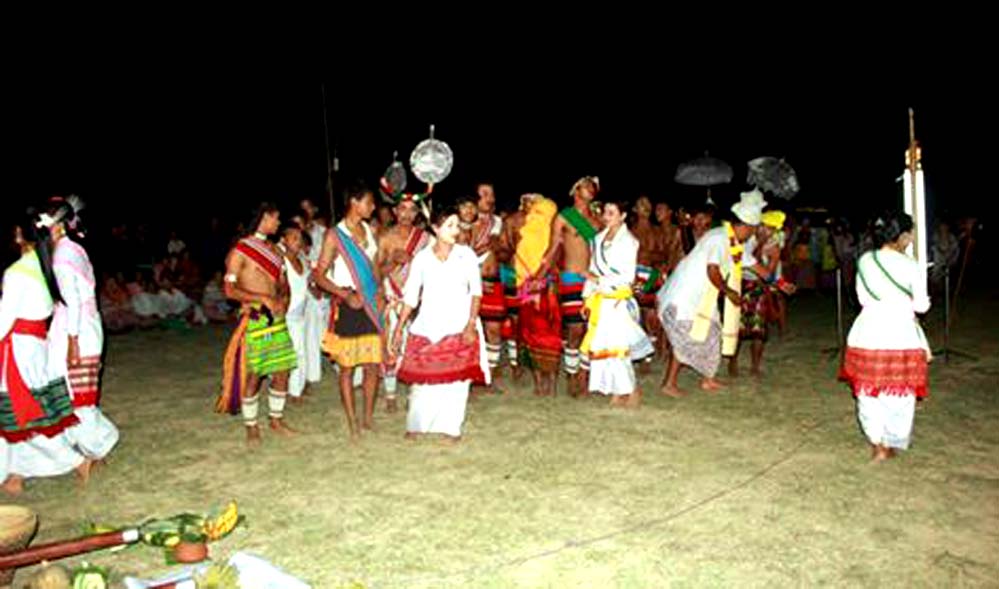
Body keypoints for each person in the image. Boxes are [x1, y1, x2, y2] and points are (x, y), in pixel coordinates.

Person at [1, 214, 90, 494]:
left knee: (21, 412)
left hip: (18, 348)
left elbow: (4, 319)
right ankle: (14, 473)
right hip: (34, 344)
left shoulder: (17, 272)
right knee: (22, 411)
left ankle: (75, 460)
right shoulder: (43, 266)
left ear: (20, 237)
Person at [840, 212, 931, 462]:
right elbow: (922, 307)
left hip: (867, 331)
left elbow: (862, 298)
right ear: (901, 236)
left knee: (868, 391)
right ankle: (891, 439)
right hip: (899, 333)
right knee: (900, 391)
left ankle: (877, 441)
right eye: (910, 232)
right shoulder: (910, 265)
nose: (912, 237)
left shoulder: (866, 260)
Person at [394, 204, 488, 442]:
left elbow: (476, 292)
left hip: (459, 323)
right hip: (428, 324)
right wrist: (398, 328)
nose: (455, 230)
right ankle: (417, 425)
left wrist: (470, 324)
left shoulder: (465, 255)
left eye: (457, 225)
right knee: (423, 381)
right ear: (435, 228)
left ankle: (451, 429)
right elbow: (411, 296)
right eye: (449, 225)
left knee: (456, 382)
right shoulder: (422, 258)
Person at [657, 189, 765, 397]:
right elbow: (712, 270)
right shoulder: (719, 237)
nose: (752, 234)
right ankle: (668, 384)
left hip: (704, 298)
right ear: (745, 226)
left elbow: (757, 267)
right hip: (684, 296)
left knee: (713, 333)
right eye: (752, 230)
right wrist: (729, 292)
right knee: (688, 337)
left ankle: (708, 379)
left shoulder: (736, 245)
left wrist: (780, 282)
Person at [43, 197, 120, 465]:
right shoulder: (73, 249)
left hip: (76, 329)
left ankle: (98, 444)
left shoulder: (63, 254)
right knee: (74, 393)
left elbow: (73, 301)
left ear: (57, 224)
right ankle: (88, 447)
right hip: (83, 325)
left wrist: (72, 341)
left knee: (74, 395)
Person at [215, 203, 297, 444]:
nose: (279, 223)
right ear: (264, 218)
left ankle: (276, 419)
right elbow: (229, 290)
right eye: (276, 218)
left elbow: (283, 283)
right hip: (255, 319)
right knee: (254, 374)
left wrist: (284, 300)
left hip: (278, 320)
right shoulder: (240, 251)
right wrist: (261, 298)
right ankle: (251, 426)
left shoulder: (276, 250)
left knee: (282, 371)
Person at [313, 183, 383, 440]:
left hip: (371, 305)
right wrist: (344, 295)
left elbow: (374, 267)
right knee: (347, 367)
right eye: (369, 202)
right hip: (349, 306)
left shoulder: (370, 229)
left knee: (373, 365)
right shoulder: (334, 235)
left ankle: (367, 418)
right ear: (354, 202)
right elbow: (318, 275)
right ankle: (352, 423)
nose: (373, 207)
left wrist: (381, 293)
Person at [581, 199, 654, 406]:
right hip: (600, 300)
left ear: (622, 216)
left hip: (617, 301)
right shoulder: (598, 239)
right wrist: (587, 298)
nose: (606, 216)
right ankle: (617, 390)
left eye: (611, 212)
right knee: (604, 347)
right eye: (605, 212)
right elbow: (592, 269)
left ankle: (631, 391)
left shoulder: (629, 241)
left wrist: (597, 280)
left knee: (617, 347)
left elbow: (627, 277)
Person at [536, 176, 603, 397]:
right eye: (586, 186)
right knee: (575, 329)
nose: (591, 189)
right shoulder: (565, 216)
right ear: (576, 190)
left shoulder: (597, 220)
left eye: (593, 186)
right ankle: (572, 374)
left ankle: (583, 375)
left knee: (590, 330)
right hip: (571, 278)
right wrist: (539, 277)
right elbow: (552, 249)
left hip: (593, 280)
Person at [376, 193, 432, 413]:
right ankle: (390, 395)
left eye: (411, 210)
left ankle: (413, 392)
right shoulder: (385, 237)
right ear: (394, 211)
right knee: (392, 344)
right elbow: (376, 272)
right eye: (402, 209)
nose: (406, 214)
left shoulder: (426, 239)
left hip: (418, 298)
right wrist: (392, 262)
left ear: (417, 213)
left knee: (416, 346)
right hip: (392, 297)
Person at [505, 194, 561, 396]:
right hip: (525, 285)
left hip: (547, 285)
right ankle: (539, 384)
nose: (531, 208)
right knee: (529, 332)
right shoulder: (522, 227)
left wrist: (540, 278)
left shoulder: (552, 228)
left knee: (551, 334)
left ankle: (552, 384)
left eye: (535, 203)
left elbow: (554, 255)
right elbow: (510, 250)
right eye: (526, 203)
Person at [729, 210, 795, 377]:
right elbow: (747, 260)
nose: (771, 232)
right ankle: (733, 362)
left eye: (774, 229)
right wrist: (760, 245)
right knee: (737, 328)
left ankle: (755, 366)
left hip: (760, 288)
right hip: (741, 285)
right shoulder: (745, 238)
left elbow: (767, 273)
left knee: (759, 330)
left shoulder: (774, 246)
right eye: (769, 227)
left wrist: (780, 283)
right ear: (760, 226)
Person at [471, 182, 506, 392]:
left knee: (494, 329)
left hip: (493, 282)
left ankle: (489, 378)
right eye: (484, 194)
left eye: (491, 194)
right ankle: (471, 378)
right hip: (471, 283)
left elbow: (501, 252)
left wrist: (499, 249)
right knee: (472, 330)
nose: (489, 198)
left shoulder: (497, 222)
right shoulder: (466, 224)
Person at [300, 199, 330, 387]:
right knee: (309, 333)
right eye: (303, 209)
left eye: (309, 207)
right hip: (304, 288)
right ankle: (310, 375)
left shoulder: (323, 232)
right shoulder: (295, 235)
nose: (307, 212)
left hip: (325, 285)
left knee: (328, 329)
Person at [279, 225, 310, 404]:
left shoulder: (303, 261)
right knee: (285, 354)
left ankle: (295, 390)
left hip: (300, 315)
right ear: (284, 240)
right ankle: (284, 389)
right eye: (294, 238)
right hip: (285, 315)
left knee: (300, 352)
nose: (298, 242)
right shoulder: (280, 261)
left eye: (300, 238)